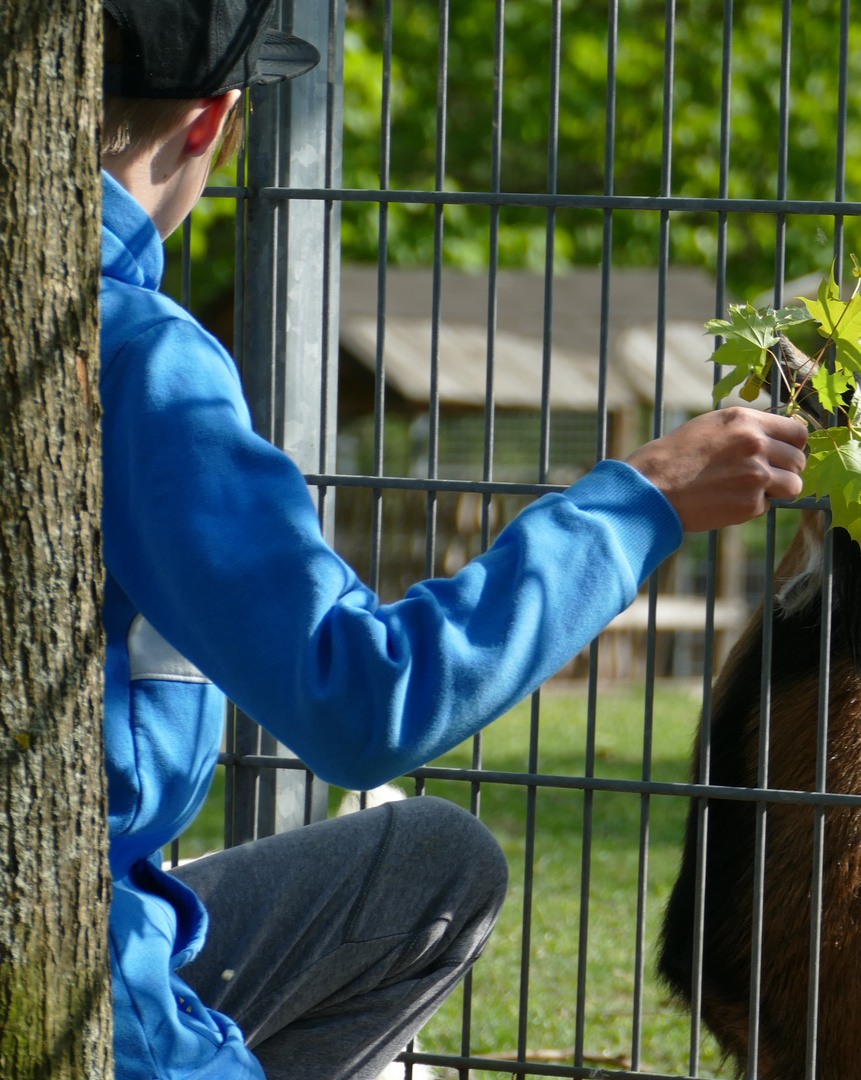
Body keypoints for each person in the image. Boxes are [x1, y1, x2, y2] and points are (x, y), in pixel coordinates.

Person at [96, 1, 807, 1076]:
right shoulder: (139, 359)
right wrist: (639, 499)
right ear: (212, 122)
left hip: (115, 903)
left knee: (432, 861)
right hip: (83, 968)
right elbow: (360, 696)